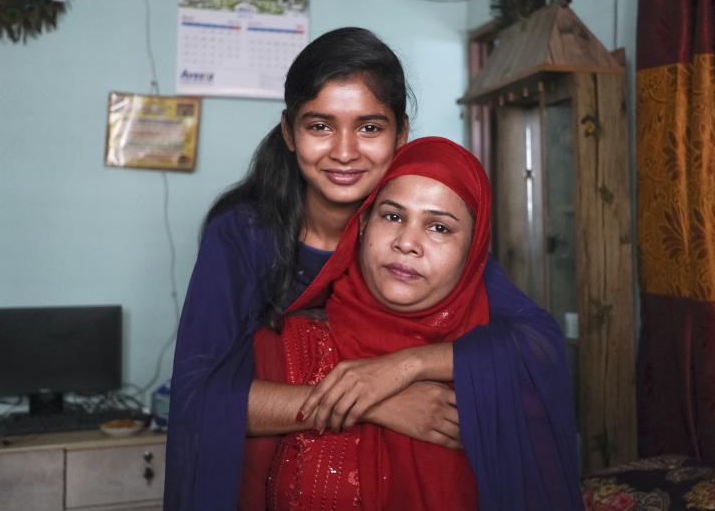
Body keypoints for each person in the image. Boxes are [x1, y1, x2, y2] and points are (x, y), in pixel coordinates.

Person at [164, 28, 580, 510]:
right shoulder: (245, 234)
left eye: (369, 128)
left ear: (401, 134)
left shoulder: (414, 229)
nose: (344, 151)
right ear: (288, 131)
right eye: (320, 126)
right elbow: (200, 398)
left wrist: (404, 367)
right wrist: (379, 403)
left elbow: (531, 342)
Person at [248, 137, 583, 510]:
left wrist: (409, 365)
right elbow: (209, 414)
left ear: (473, 252)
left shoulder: (505, 367)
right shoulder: (290, 341)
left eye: (439, 228)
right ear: (361, 226)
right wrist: (373, 403)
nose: (408, 242)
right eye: (392, 216)